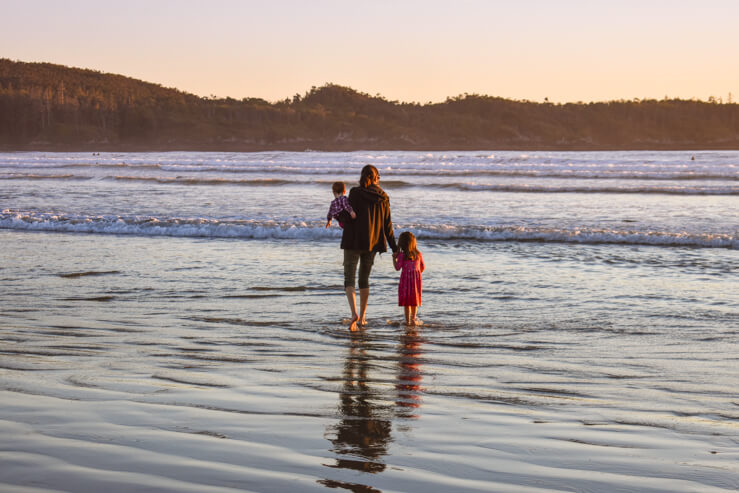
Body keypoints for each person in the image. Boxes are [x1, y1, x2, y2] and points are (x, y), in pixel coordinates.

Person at [341, 165, 398, 331]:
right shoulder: (383, 197)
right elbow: (388, 226)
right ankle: (363, 318)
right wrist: (394, 248)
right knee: (364, 279)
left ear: (361, 177)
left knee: (349, 278)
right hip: (372, 244)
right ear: (376, 178)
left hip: (353, 242)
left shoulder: (355, 193)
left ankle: (354, 314)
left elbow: (348, 216)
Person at [393, 231, 425, 326]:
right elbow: (422, 268)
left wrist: (394, 259)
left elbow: (397, 268)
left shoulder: (402, 256)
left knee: (407, 303)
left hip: (406, 283)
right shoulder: (418, 254)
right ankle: (414, 319)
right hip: (416, 283)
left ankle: (407, 321)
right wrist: (416, 273)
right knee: (414, 302)